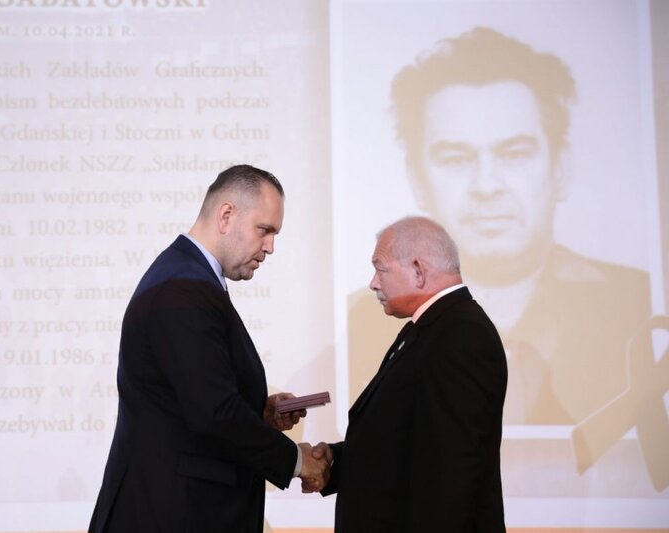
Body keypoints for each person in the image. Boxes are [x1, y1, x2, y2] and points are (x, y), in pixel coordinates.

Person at [348, 27, 652, 425]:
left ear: (560, 168)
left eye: (514, 154)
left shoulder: (639, 300)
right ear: (417, 179)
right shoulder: (356, 320)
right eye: (456, 158)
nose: (487, 186)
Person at [88, 164, 328, 533]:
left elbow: (189, 399)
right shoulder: (183, 288)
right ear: (227, 214)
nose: (270, 247)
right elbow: (213, 412)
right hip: (172, 515)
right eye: (264, 230)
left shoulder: (188, 277)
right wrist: (297, 461)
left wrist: (257, 411)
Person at [311, 216, 507, 531]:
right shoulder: (430, 328)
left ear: (418, 269)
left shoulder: (461, 335)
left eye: (381, 269)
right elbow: (405, 440)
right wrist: (337, 460)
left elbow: (452, 470)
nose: (374, 282)